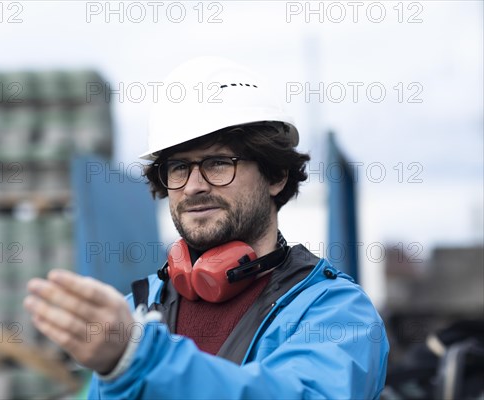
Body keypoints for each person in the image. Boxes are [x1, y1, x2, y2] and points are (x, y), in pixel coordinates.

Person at [24, 57, 389, 399]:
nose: (194, 185)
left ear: (276, 174)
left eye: (218, 163)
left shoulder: (336, 313)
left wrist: (139, 359)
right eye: (179, 168)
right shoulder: (136, 308)